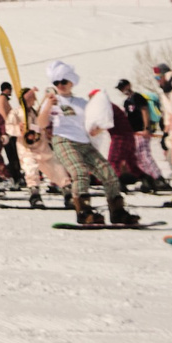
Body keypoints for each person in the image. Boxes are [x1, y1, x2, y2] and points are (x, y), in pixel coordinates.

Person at [37, 62, 135, 227]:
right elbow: (41, 123)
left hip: (84, 141)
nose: (60, 85)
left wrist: (96, 130)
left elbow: (91, 124)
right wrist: (48, 105)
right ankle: (83, 211)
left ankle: (117, 211)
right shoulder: (53, 101)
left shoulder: (82, 102)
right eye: (56, 82)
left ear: (71, 82)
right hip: (63, 139)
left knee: (107, 171)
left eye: (64, 81)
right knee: (80, 171)